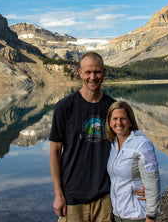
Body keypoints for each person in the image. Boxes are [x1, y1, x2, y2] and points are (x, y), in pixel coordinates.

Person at [49, 52, 115, 222]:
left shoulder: (112, 108)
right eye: (88, 72)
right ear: (80, 73)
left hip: (106, 198)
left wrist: (140, 183)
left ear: (104, 72)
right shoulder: (64, 107)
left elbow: (127, 149)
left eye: (97, 72)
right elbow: (55, 152)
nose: (92, 77)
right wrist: (58, 194)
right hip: (72, 198)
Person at [106, 101, 161, 222]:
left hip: (137, 215)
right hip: (118, 214)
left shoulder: (142, 144)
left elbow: (152, 181)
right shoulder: (113, 144)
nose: (118, 123)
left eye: (123, 119)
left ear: (130, 122)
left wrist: (151, 216)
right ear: (109, 123)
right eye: (115, 119)